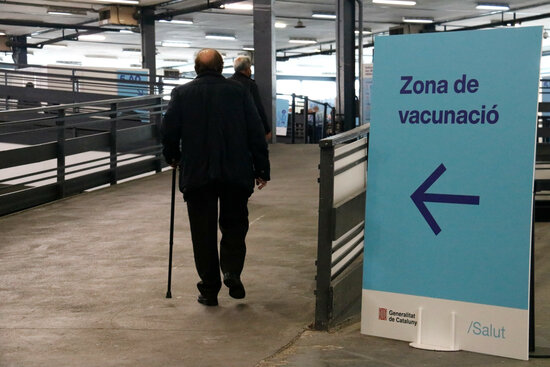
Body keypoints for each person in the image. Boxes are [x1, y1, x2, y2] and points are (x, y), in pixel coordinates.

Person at [161, 48, 270, 307]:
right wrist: (261, 169)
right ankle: (231, 272)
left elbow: (168, 131)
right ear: (221, 68)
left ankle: (209, 289)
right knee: (234, 226)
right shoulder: (240, 91)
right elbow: (256, 132)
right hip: (235, 172)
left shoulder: (182, 93)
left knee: (203, 232)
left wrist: (173, 157)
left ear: (197, 68)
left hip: (198, 174)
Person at [229, 55, 272, 141]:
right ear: (247, 69)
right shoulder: (250, 84)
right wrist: (266, 129)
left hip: (229, 125)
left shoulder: (226, 83)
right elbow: (258, 106)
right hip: (246, 125)